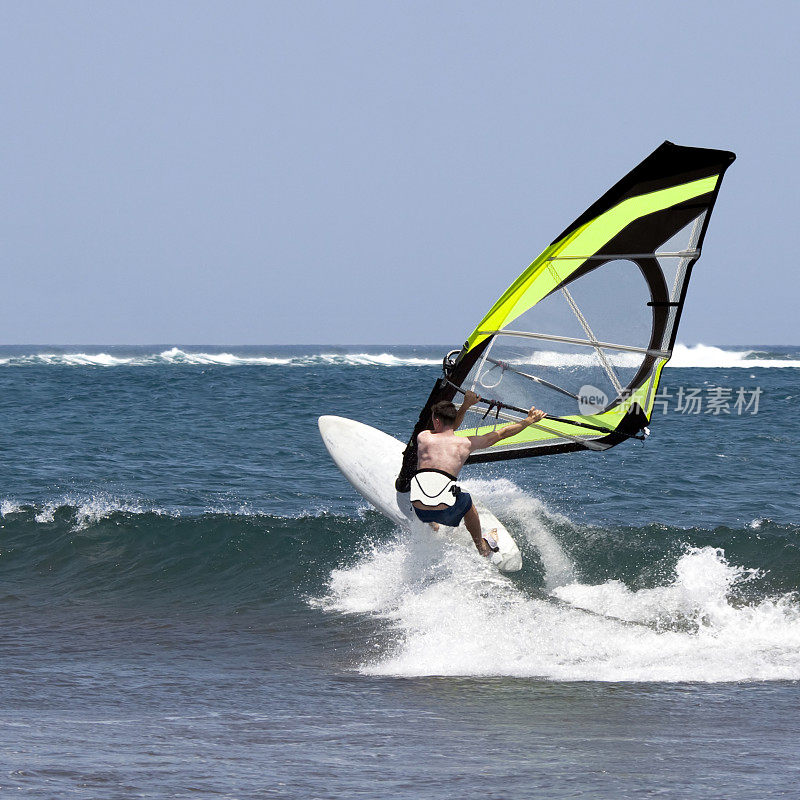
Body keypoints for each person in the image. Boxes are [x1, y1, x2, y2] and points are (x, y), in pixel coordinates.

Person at [410, 390, 546, 557]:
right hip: (445, 512)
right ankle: (481, 547)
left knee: (425, 483)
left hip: (420, 511)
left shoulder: (423, 437)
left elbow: (448, 429)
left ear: (436, 421)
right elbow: (502, 433)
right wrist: (529, 420)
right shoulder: (466, 444)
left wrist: (466, 405)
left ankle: (433, 525)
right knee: (467, 502)